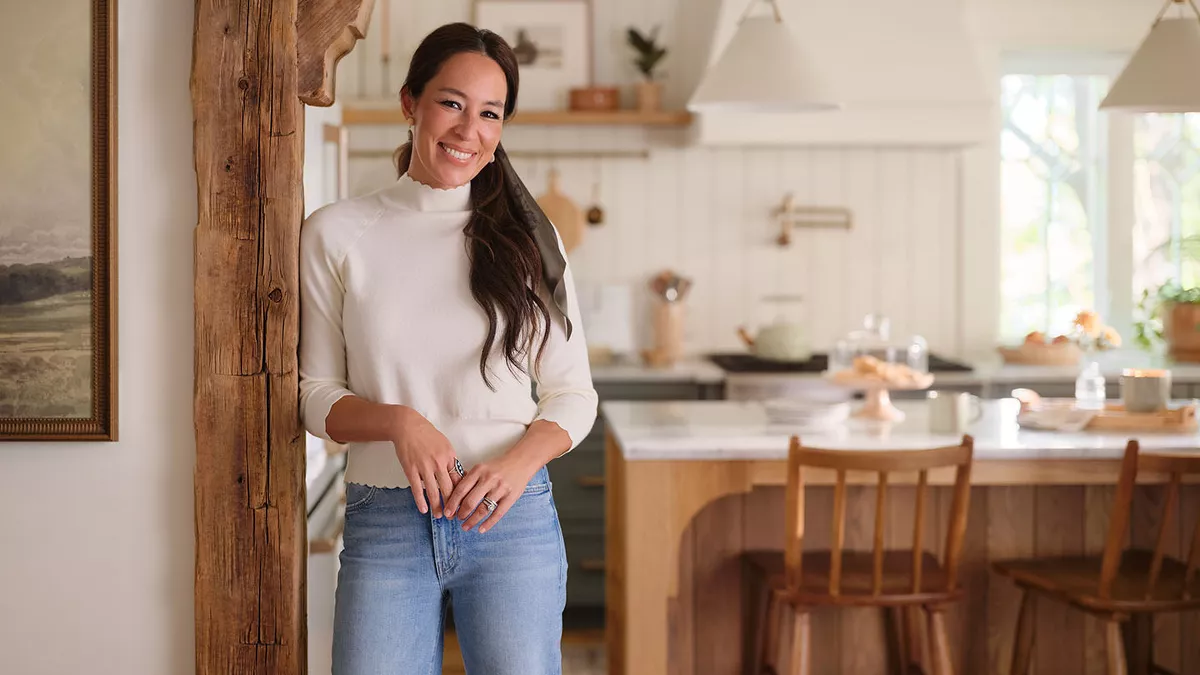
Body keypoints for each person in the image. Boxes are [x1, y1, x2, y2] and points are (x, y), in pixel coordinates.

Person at [297, 21, 598, 675]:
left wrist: (518, 464)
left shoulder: (528, 239)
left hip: (511, 519)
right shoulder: (337, 234)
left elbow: (574, 393)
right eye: (452, 103)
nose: (469, 129)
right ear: (411, 103)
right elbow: (315, 396)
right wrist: (399, 423)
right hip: (385, 520)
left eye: (490, 112)